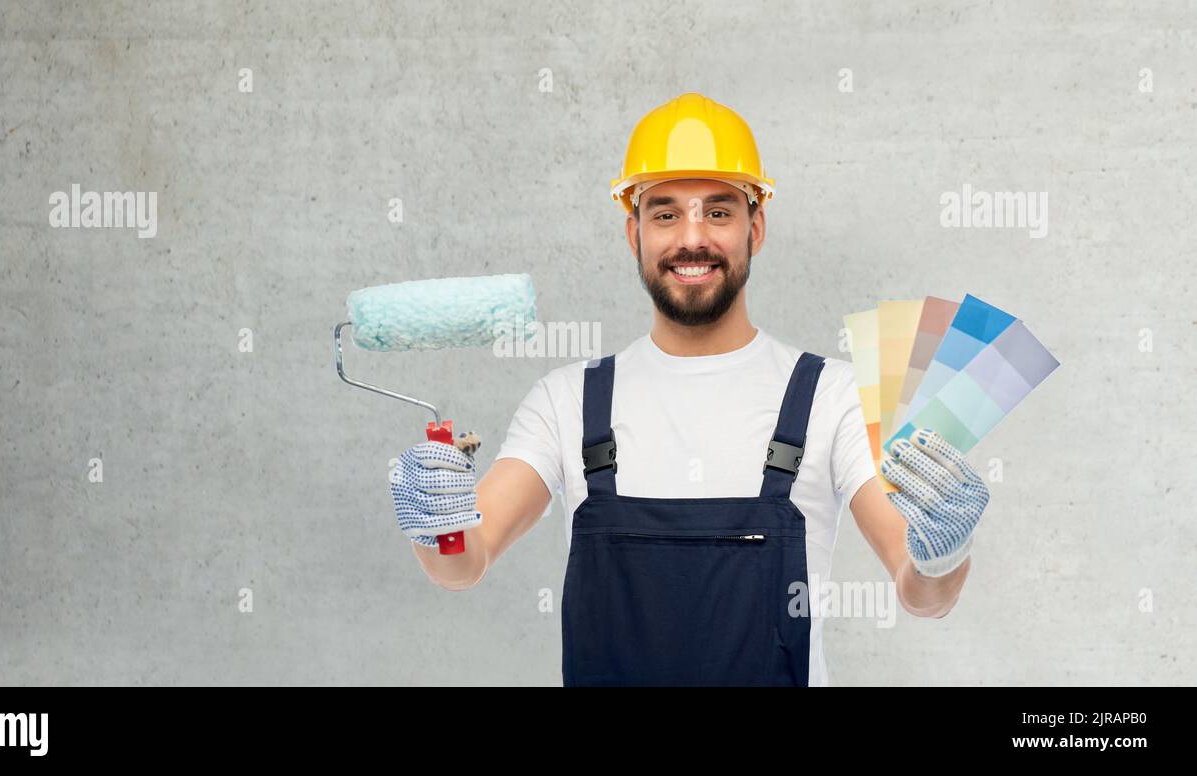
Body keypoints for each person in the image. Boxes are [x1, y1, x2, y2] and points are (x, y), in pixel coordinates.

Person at [389, 93, 989, 686]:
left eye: (719, 212)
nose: (692, 238)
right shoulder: (566, 402)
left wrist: (943, 554)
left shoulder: (832, 397)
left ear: (756, 227)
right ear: (635, 234)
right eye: (666, 213)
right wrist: (433, 520)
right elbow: (464, 562)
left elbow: (920, 593)